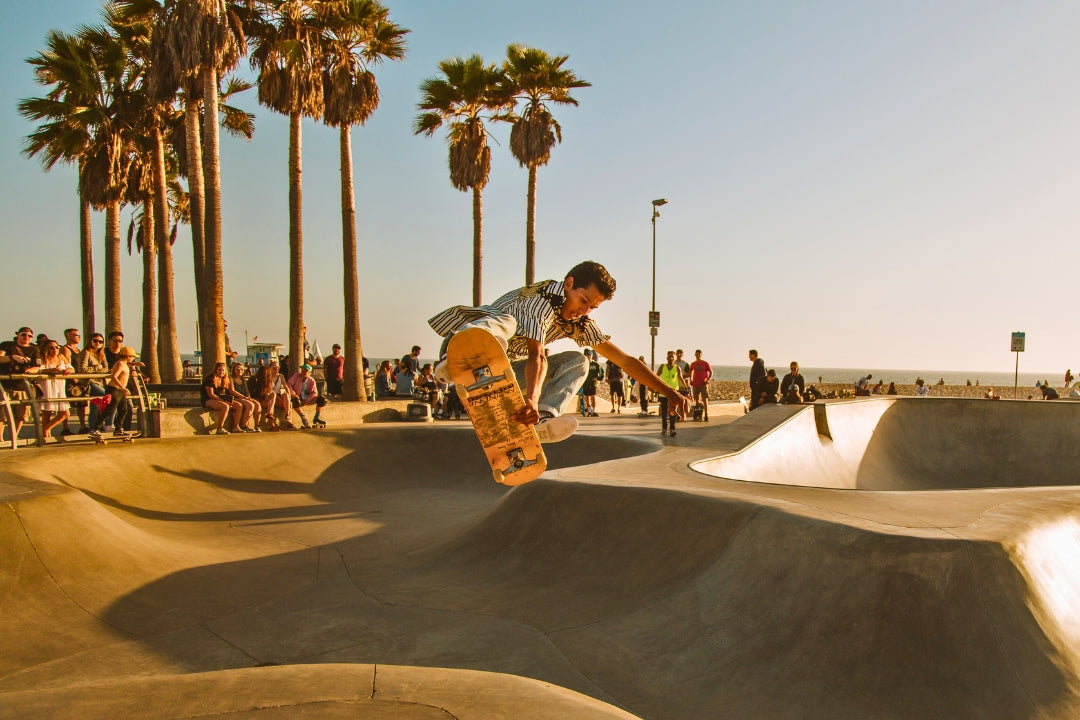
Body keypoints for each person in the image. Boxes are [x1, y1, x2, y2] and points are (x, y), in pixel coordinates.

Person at [429, 260, 690, 443]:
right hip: (460, 348)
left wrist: (671, 393)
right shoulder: (542, 300)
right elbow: (537, 355)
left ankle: (542, 420)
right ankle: (456, 362)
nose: (583, 310)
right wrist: (530, 396)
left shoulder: (579, 323)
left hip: (499, 372)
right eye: (583, 300)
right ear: (568, 284)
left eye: (592, 307)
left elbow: (625, 361)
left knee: (579, 362)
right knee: (506, 323)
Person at [0, 327, 41, 442]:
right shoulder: (7, 345)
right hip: (6, 384)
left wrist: (28, 371)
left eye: (29, 336)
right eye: (24, 335)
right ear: (18, 335)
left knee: (21, 414)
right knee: (2, 414)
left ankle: (14, 436)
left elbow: (37, 366)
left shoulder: (34, 349)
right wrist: (11, 357)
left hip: (22, 386)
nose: (26, 338)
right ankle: (0, 438)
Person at [30, 339, 73, 442]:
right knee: (47, 413)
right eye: (52, 347)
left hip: (59, 386)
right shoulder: (42, 358)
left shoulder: (61, 357)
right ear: (46, 349)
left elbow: (71, 367)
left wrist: (68, 370)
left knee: (65, 413)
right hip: (47, 385)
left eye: (57, 347)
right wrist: (51, 370)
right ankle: (45, 436)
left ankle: (45, 429)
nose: (55, 349)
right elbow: (38, 369)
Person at [89, 346, 136, 439]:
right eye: (132, 356)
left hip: (120, 390)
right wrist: (123, 388)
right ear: (128, 356)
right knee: (109, 410)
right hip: (114, 389)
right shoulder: (120, 364)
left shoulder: (125, 364)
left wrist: (137, 364)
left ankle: (118, 429)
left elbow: (129, 365)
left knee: (124, 409)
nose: (133, 358)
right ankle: (95, 429)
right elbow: (114, 376)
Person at [75, 332, 110, 432]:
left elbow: (106, 368)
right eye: (95, 341)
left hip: (99, 382)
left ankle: (94, 428)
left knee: (95, 406)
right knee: (108, 397)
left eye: (100, 341)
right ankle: (107, 424)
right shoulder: (86, 352)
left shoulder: (101, 354)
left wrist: (100, 370)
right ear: (90, 341)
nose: (98, 343)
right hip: (89, 383)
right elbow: (82, 369)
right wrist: (98, 369)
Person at [202, 362, 244, 435]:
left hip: (219, 399)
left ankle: (235, 426)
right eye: (219, 370)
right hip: (208, 400)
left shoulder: (224, 379)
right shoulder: (210, 379)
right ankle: (220, 428)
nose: (221, 372)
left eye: (223, 370)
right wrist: (223, 401)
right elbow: (211, 394)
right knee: (225, 406)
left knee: (239, 405)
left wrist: (227, 400)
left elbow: (222, 394)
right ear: (215, 370)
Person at [287, 363, 327, 428]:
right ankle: (303, 417)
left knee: (322, 399)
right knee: (296, 401)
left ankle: (317, 417)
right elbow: (289, 384)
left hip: (307, 398)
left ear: (309, 373)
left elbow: (314, 392)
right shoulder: (296, 376)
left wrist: (306, 400)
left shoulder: (311, 380)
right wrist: (293, 394)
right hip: (297, 396)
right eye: (302, 370)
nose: (303, 372)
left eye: (305, 371)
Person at [229, 363, 262, 432]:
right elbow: (232, 391)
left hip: (244, 397)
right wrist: (243, 397)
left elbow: (247, 390)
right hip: (235, 397)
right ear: (233, 370)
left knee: (257, 404)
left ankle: (257, 425)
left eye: (241, 369)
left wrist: (248, 396)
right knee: (250, 405)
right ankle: (244, 425)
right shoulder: (231, 378)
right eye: (237, 369)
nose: (239, 371)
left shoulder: (243, 379)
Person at [688, 349, 713, 420]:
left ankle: (706, 414)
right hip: (695, 384)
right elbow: (691, 372)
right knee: (696, 400)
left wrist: (707, 380)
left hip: (703, 384)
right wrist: (691, 380)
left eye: (699, 354)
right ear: (695, 355)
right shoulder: (693, 364)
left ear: (701, 355)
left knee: (705, 399)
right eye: (696, 354)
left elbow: (711, 372)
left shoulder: (705, 363)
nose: (698, 355)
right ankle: (698, 415)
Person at [581, 349, 603, 417]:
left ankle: (594, 410)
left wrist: (598, 378)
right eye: (587, 355)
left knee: (593, 396)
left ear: (592, 356)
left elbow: (602, 373)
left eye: (590, 355)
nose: (588, 356)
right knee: (587, 397)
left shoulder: (595, 364)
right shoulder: (583, 364)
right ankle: (589, 410)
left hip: (593, 383)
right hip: (586, 383)